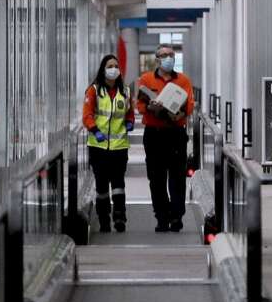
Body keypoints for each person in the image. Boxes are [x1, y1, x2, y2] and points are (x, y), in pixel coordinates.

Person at [136, 45, 195, 232]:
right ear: (157, 59)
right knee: (156, 178)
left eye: (171, 55)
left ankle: (176, 216)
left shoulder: (183, 80)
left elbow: (189, 104)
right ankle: (161, 216)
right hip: (154, 134)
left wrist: (181, 114)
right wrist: (151, 107)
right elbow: (139, 104)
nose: (168, 58)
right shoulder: (146, 79)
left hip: (176, 134)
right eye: (164, 55)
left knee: (177, 177)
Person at [82, 54, 135, 232]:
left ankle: (120, 217)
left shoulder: (125, 91)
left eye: (116, 66)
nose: (114, 69)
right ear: (103, 69)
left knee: (119, 184)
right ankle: (104, 218)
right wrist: (95, 130)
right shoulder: (94, 91)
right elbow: (87, 115)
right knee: (102, 186)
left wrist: (130, 122)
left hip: (119, 147)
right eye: (110, 66)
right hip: (98, 147)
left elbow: (130, 112)